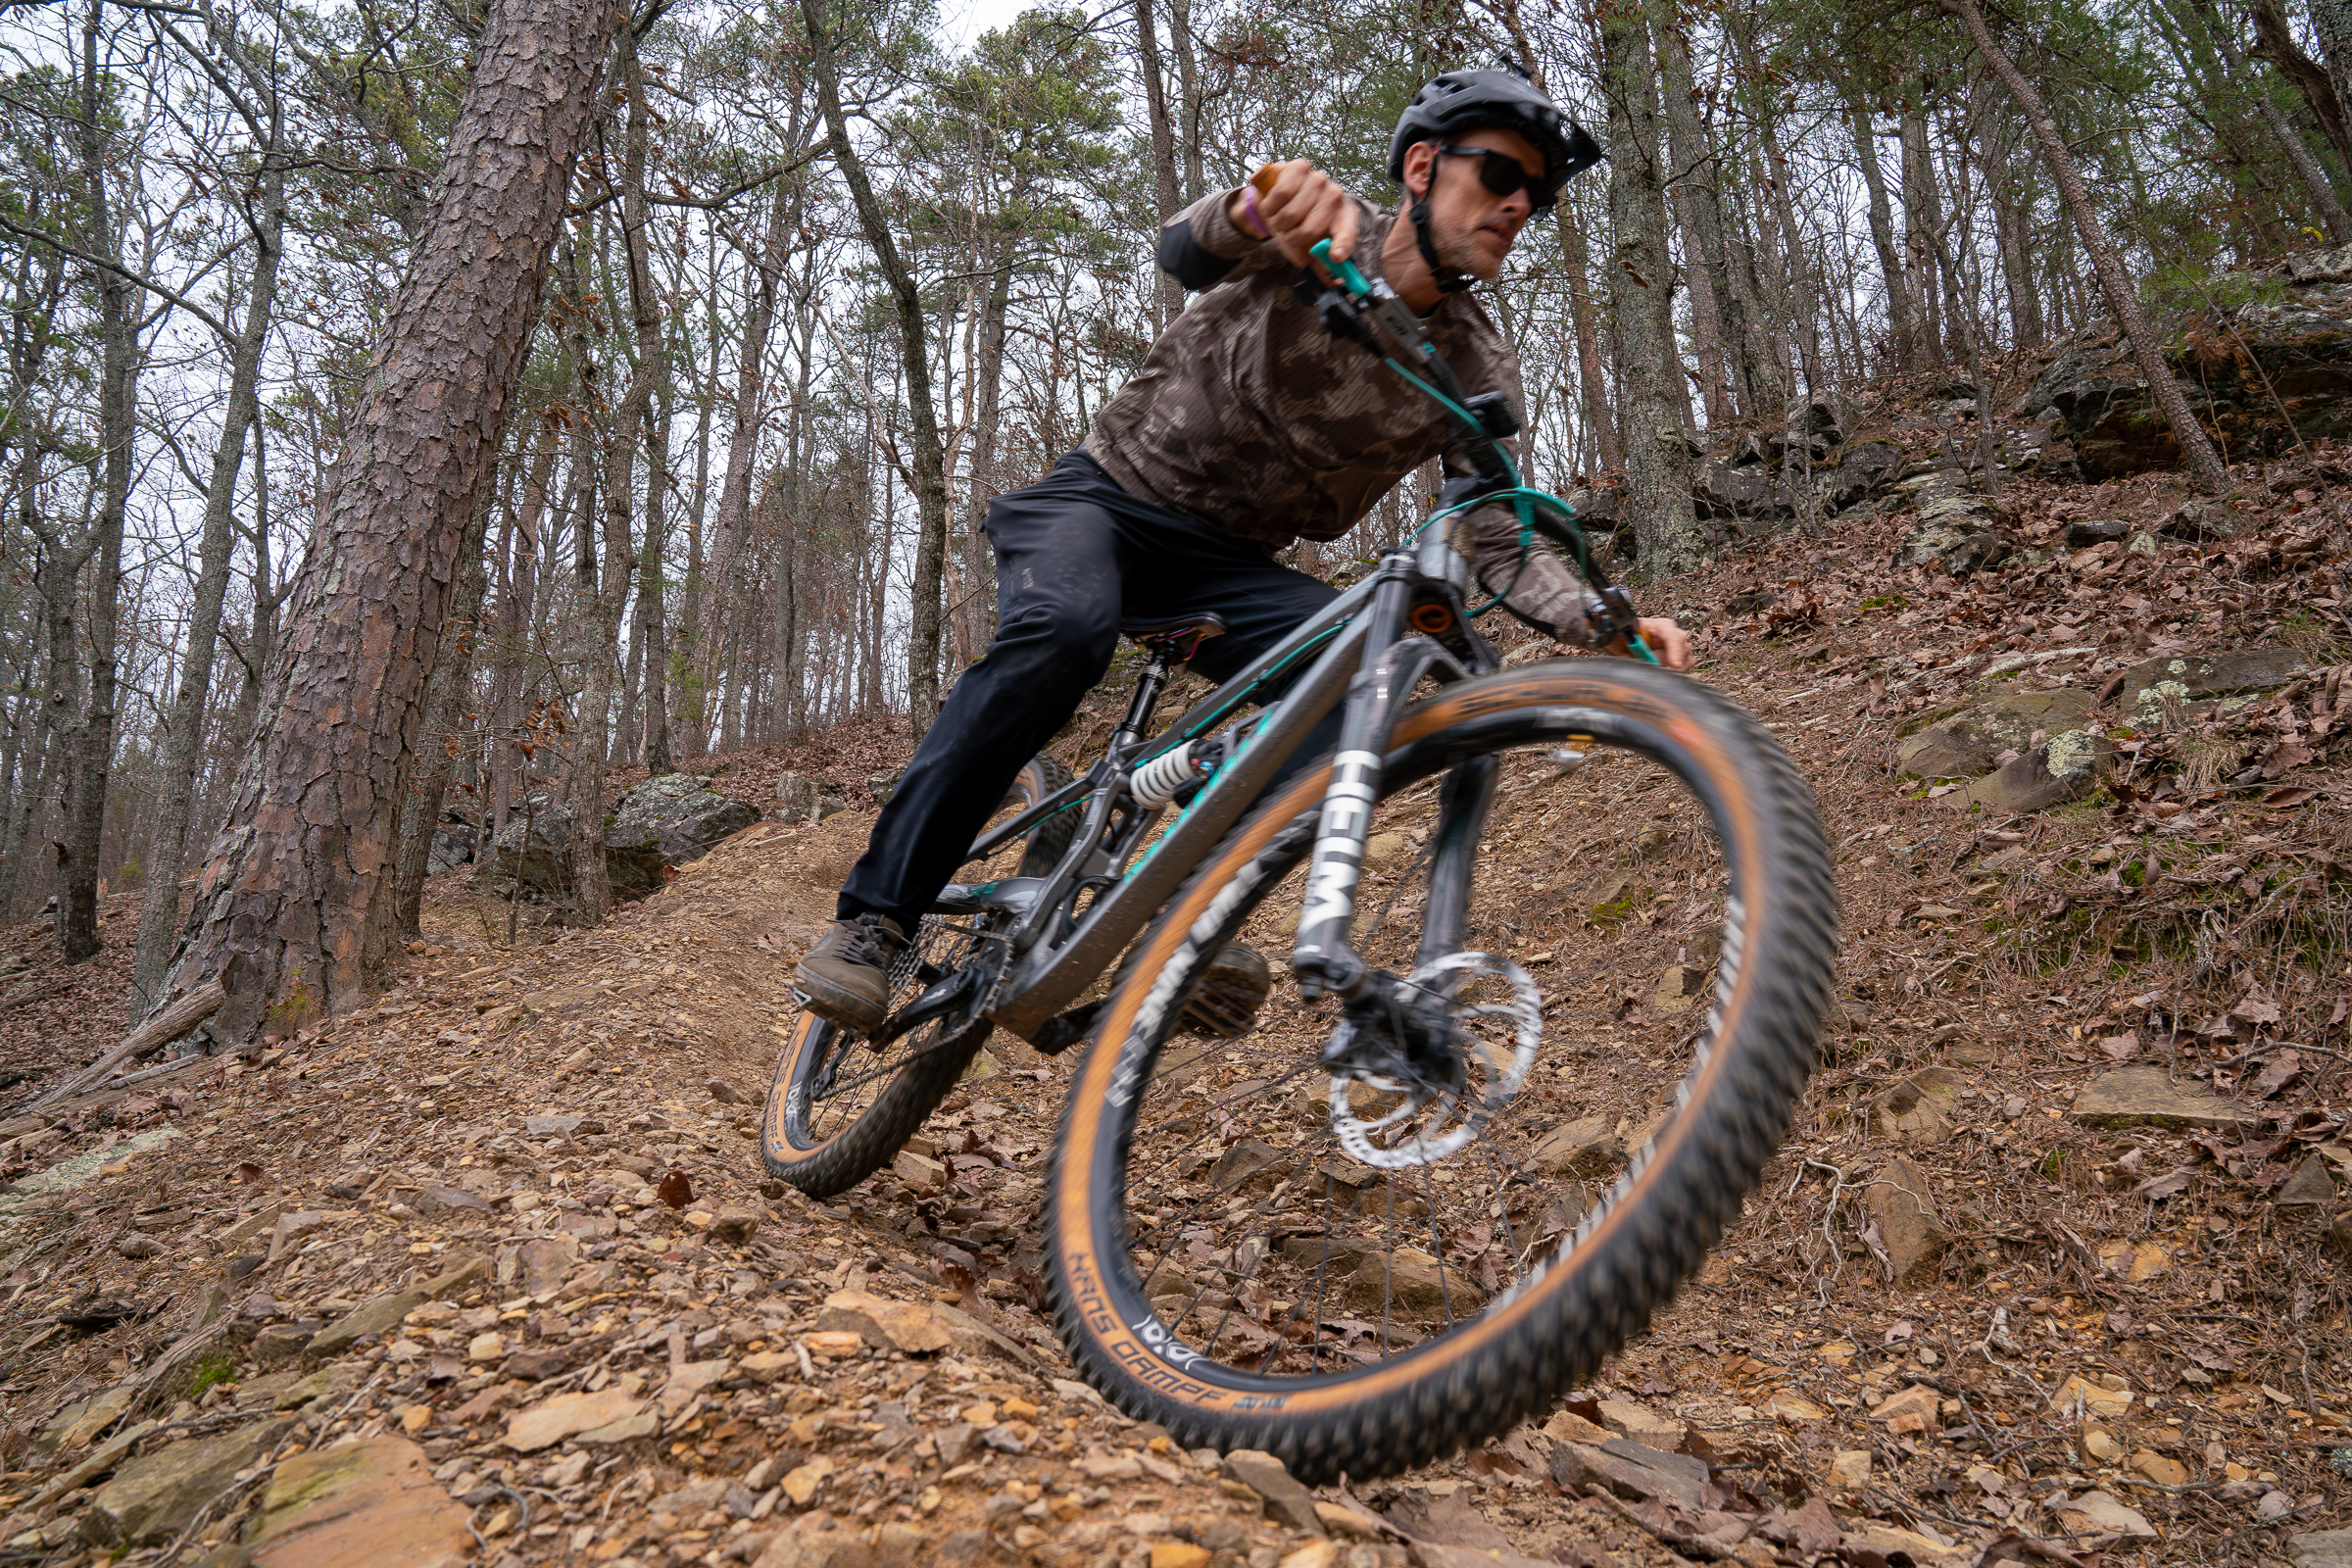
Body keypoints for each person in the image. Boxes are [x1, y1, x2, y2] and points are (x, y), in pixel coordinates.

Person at [795, 68, 1694, 1035]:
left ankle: (1154, 916)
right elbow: (1185, 248)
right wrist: (1255, 203)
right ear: (1425, 167)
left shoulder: (1472, 363)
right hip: (1102, 500)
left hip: (1224, 569)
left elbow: (1498, 534)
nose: (1521, 203)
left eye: (1541, 194)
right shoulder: (1318, 232)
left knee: (1391, 686)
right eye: (1504, 172)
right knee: (1064, 630)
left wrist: (1603, 618)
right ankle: (875, 921)